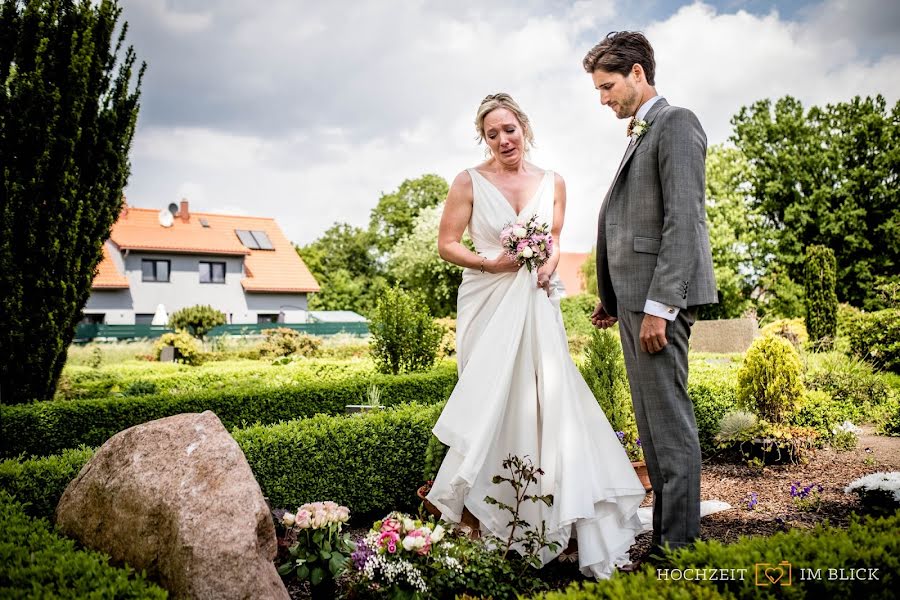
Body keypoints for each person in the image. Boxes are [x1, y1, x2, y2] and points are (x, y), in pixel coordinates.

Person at [426, 92, 646, 579]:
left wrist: (546, 263)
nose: (504, 139)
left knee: (549, 397)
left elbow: (556, 239)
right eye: (492, 133)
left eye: (510, 129)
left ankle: (554, 518)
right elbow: (446, 244)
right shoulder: (468, 182)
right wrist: (491, 262)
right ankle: (495, 522)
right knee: (493, 402)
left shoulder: (554, 182)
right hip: (487, 301)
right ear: (483, 138)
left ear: (524, 127)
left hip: (536, 301)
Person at [584, 32, 718, 555]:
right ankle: (666, 539)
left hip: (658, 309)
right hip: (634, 306)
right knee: (652, 428)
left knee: (670, 425)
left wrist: (660, 308)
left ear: (638, 73)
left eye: (607, 86)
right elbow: (629, 226)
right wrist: (613, 296)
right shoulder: (641, 131)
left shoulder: (676, 123)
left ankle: (680, 548)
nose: (603, 98)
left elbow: (683, 223)